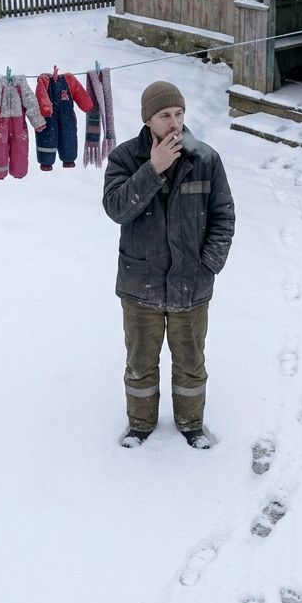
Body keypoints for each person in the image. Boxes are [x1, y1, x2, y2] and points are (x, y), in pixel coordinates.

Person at [103, 81, 235, 449]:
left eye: (179, 114)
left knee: (190, 361)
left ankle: (191, 423)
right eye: (165, 115)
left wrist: (208, 265)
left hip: (190, 284)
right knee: (141, 361)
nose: (174, 122)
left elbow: (223, 217)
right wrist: (152, 169)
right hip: (139, 283)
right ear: (148, 120)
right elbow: (116, 209)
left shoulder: (205, 160)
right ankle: (140, 424)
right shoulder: (125, 159)